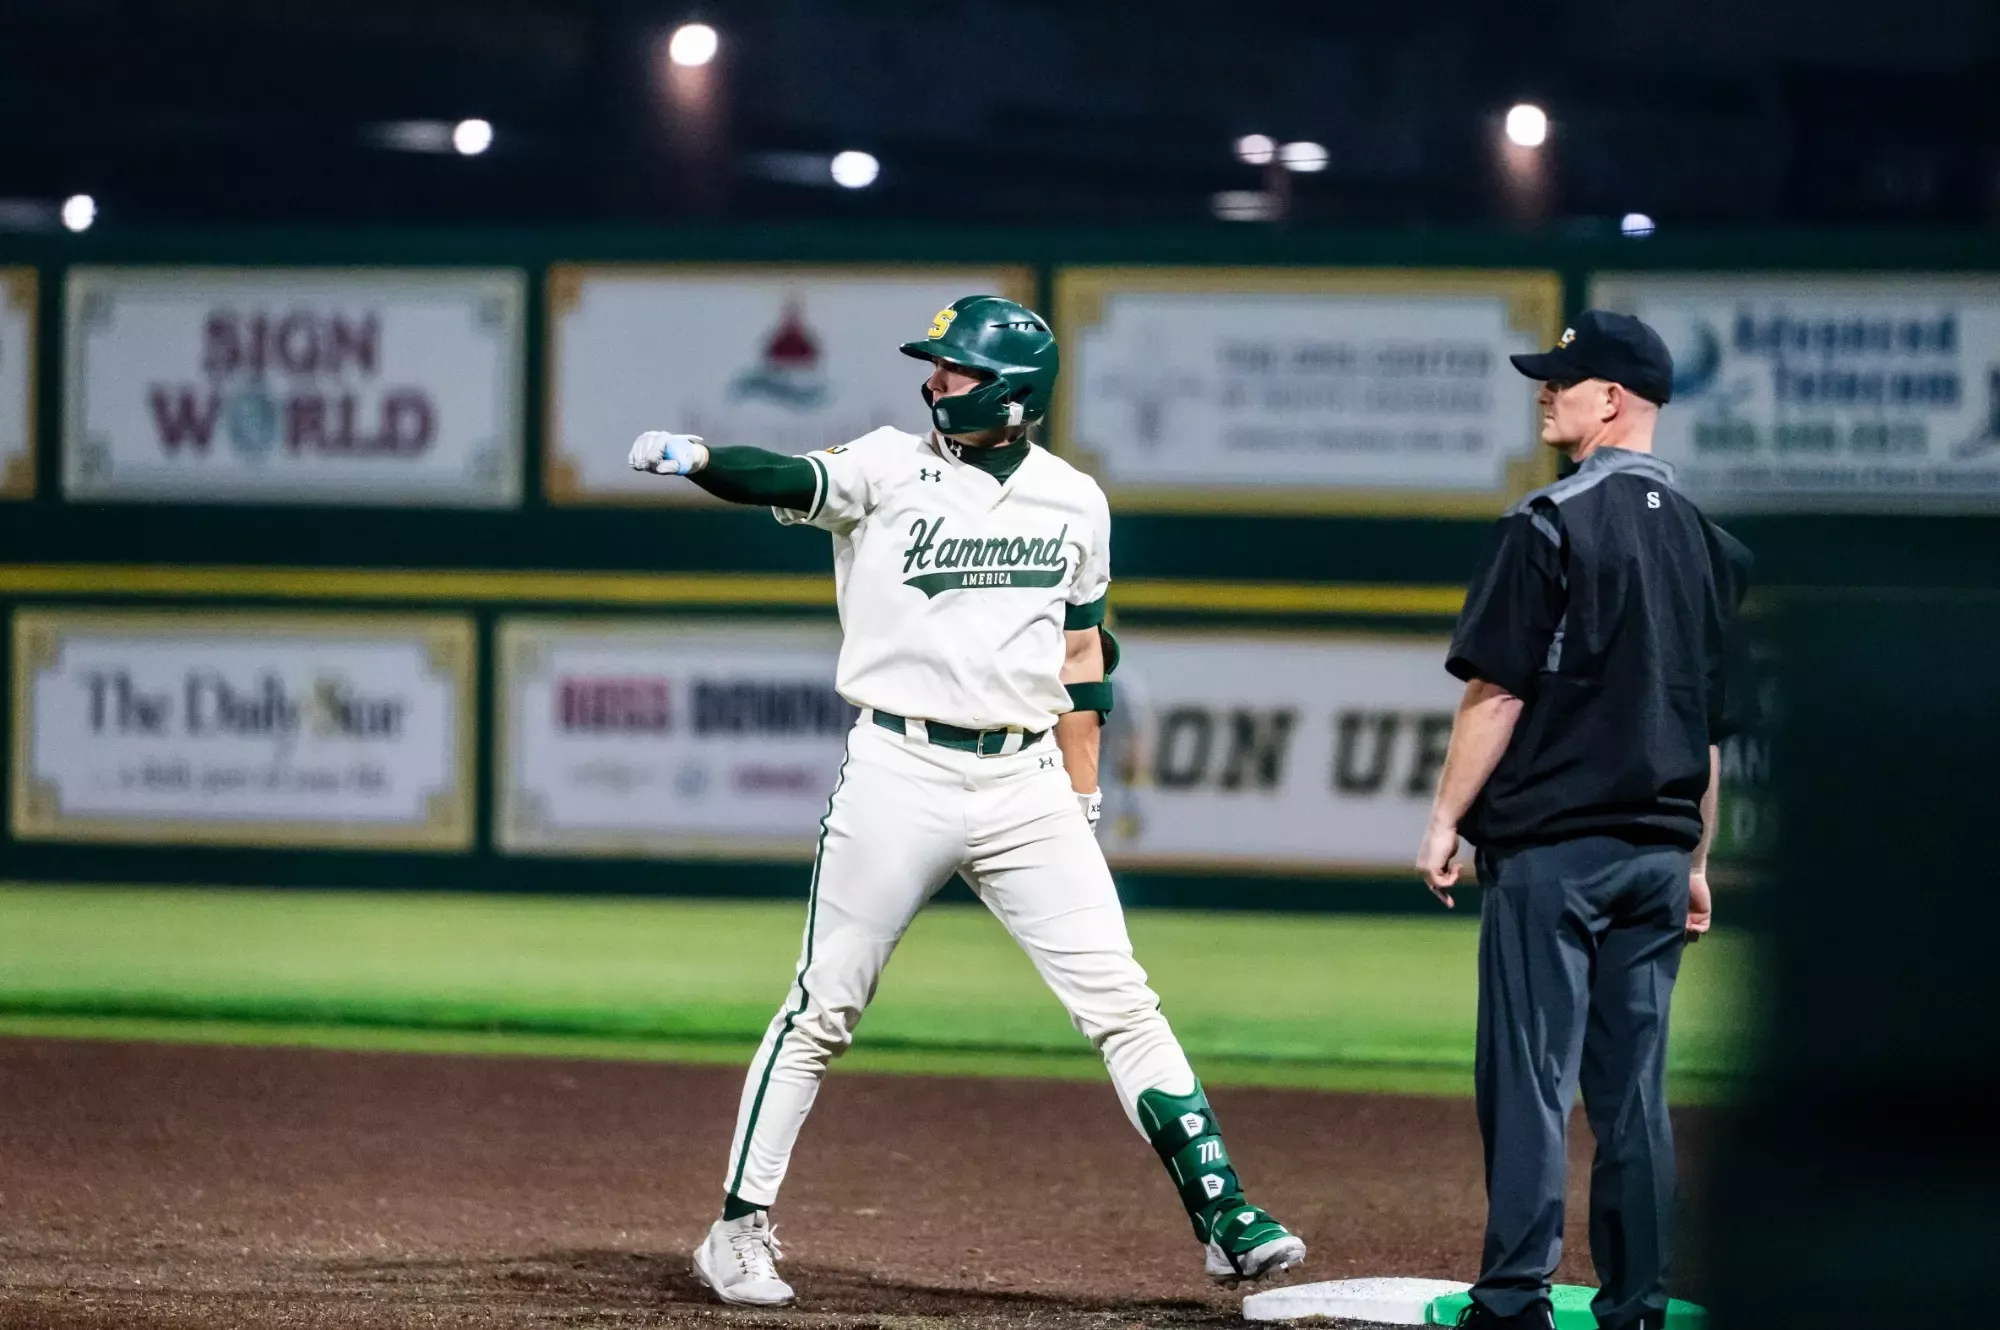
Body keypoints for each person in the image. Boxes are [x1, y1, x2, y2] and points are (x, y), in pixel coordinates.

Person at [628, 295, 1306, 1307]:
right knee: (823, 1007)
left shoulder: (1075, 499)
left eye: (953, 368)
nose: (934, 380)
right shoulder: (890, 465)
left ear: (1011, 391)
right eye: (936, 366)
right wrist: (697, 457)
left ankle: (1225, 1214)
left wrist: (1080, 791)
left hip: (1024, 779)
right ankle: (736, 1228)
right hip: (899, 771)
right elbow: (791, 475)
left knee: (1121, 1001)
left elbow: (1081, 656)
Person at [1415, 310, 1754, 1330]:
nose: (1542, 391)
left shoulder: (1547, 521)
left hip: (1551, 851)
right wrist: (1695, 854)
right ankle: (1636, 1302)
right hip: (1654, 855)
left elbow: (1498, 692)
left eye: (1561, 380)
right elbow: (1704, 726)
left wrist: (1442, 816)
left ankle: (1512, 1300)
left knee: (1528, 1078)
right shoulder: (1711, 545)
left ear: (1612, 398)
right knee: (1632, 1091)